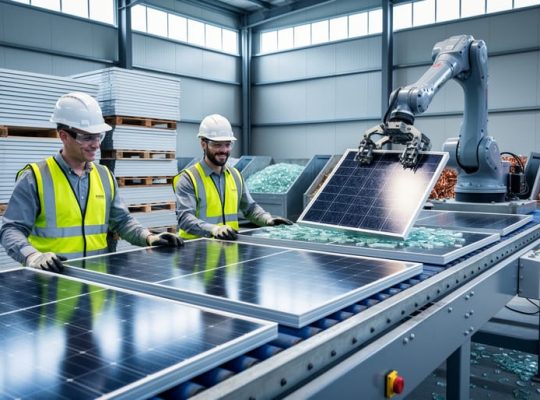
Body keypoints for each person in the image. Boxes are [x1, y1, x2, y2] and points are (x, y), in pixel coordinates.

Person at [0, 92, 183, 273]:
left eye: (98, 136)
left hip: (97, 284)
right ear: (63, 136)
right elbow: (11, 230)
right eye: (86, 137)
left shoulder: (104, 176)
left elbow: (122, 221)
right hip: (52, 283)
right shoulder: (35, 177)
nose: (96, 144)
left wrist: (149, 237)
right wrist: (32, 256)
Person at [173, 114, 292, 240]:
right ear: (203, 143)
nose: (224, 150)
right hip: (195, 253)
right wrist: (214, 229)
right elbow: (185, 218)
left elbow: (250, 208)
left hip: (229, 250)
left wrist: (267, 219)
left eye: (227, 144)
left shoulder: (235, 176)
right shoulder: (188, 179)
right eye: (217, 145)